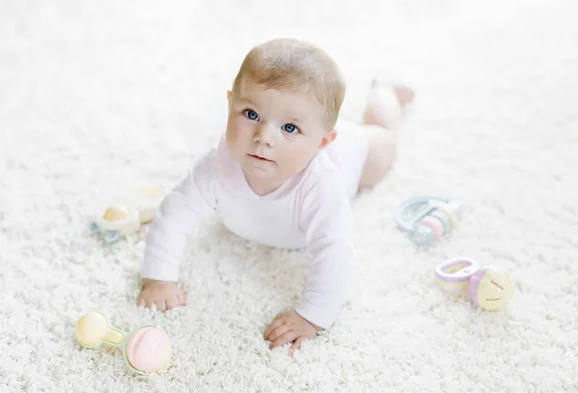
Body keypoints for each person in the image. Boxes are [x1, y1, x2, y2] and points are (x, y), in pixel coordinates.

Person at [137, 38, 414, 355]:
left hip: (357, 153)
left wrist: (312, 317)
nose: (263, 138)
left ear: (323, 142)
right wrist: (158, 278)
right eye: (251, 114)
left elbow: (335, 254)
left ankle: (385, 92)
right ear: (230, 104)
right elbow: (174, 215)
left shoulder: (323, 186)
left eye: (290, 128)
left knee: (382, 141)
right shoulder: (216, 165)